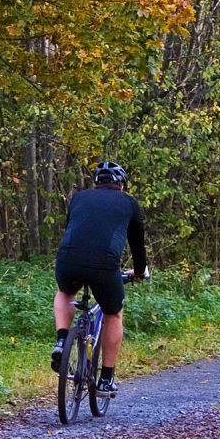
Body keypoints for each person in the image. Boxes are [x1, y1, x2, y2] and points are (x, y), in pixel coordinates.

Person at [51, 160, 147, 397]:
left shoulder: (79, 198)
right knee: (113, 313)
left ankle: (62, 341)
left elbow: (74, 229)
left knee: (65, 293)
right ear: (121, 184)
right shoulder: (129, 203)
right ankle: (106, 379)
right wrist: (138, 272)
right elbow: (137, 246)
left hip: (67, 260)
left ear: (96, 183)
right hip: (104, 265)